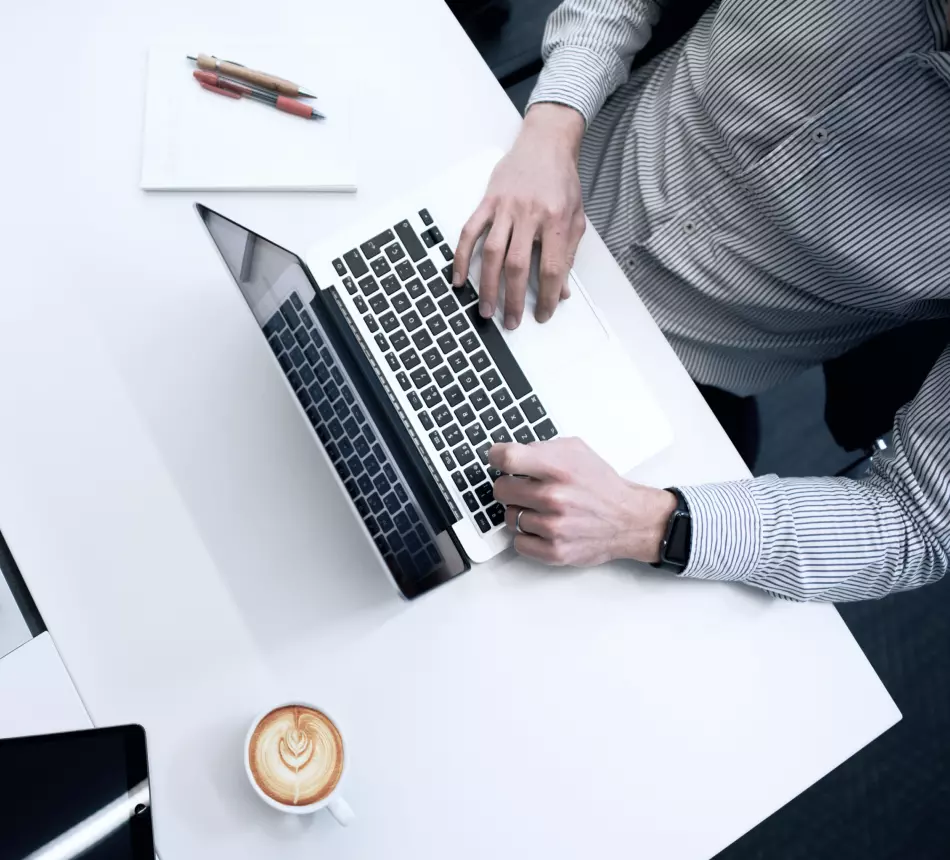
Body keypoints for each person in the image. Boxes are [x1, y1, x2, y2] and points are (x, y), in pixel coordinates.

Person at [453, 0, 950, 601]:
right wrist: (553, 126)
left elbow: (918, 524)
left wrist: (647, 523)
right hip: (511, 191)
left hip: (664, 395)